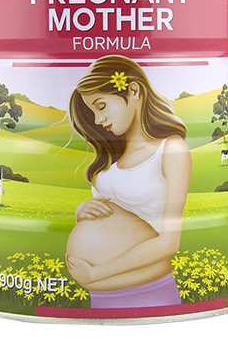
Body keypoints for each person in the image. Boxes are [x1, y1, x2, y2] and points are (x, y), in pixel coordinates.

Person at [66, 55, 191, 308]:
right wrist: (83, 213)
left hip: (148, 291)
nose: (97, 120)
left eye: (101, 106)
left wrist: (95, 273)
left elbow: (169, 242)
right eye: (92, 112)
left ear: (133, 91)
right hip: (100, 297)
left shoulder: (170, 150)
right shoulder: (110, 159)